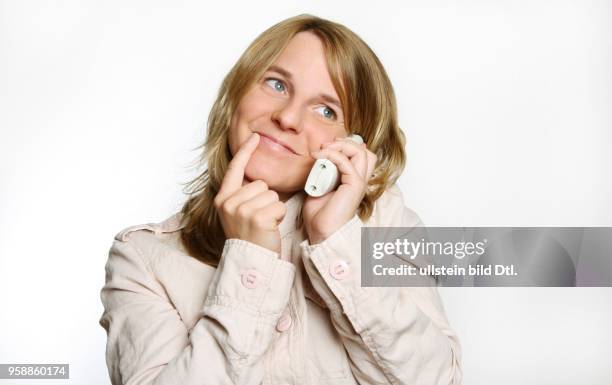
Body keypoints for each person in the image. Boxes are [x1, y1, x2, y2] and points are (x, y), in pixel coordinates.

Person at [99, 14, 462, 385]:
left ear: (353, 143)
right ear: (237, 94)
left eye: (326, 110)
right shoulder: (141, 258)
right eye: (276, 84)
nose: (287, 117)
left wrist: (335, 242)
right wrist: (249, 258)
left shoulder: (388, 224)